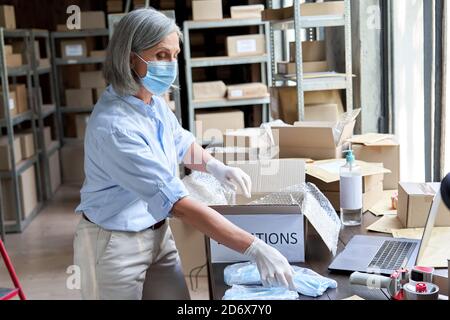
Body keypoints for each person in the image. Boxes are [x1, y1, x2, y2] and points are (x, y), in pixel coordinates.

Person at [73, 8, 295, 300]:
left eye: (175, 55)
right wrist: (253, 246)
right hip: (114, 242)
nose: (171, 64)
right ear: (130, 58)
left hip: (157, 232)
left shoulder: (150, 102)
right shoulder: (115, 127)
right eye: (161, 55)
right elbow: (176, 203)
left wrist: (216, 167)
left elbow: (179, 141)